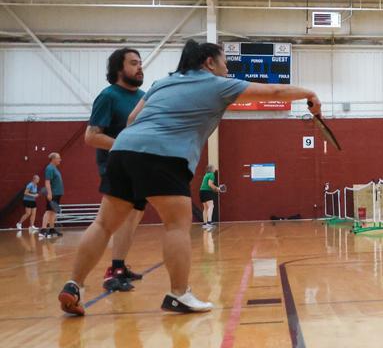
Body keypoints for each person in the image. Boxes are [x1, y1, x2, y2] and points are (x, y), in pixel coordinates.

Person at [58, 39, 322, 316]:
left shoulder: (161, 83)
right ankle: (179, 294)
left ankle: (73, 284)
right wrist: (310, 94)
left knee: (103, 224)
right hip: (165, 156)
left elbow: (132, 121)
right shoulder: (217, 85)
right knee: (176, 226)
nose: (227, 67)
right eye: (224, 62)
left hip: (123, 151)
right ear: (209, 62)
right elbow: (276, 90)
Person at [85, 47, 147, 292]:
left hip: (139, 167)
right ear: (119, 69)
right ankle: (112, 272)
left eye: (140, 63)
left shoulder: (143, 96)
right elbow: (91, 136)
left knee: (133, 217)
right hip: (116, 166)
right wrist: (125, 146)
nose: (139, 67)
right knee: (117, 219)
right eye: (133, 63)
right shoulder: (108, 96)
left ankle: (119, 265)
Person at [40, 152, 64, 238]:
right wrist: (49, 193)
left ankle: (51, 229)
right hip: (53, 193)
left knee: (53, 211)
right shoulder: (49, 168)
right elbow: (47, 182)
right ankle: (43, 230)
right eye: (58, 158)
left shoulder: (54, 168)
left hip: (57, 193)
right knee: (49, 211)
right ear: (53, 159)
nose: (60, 160)